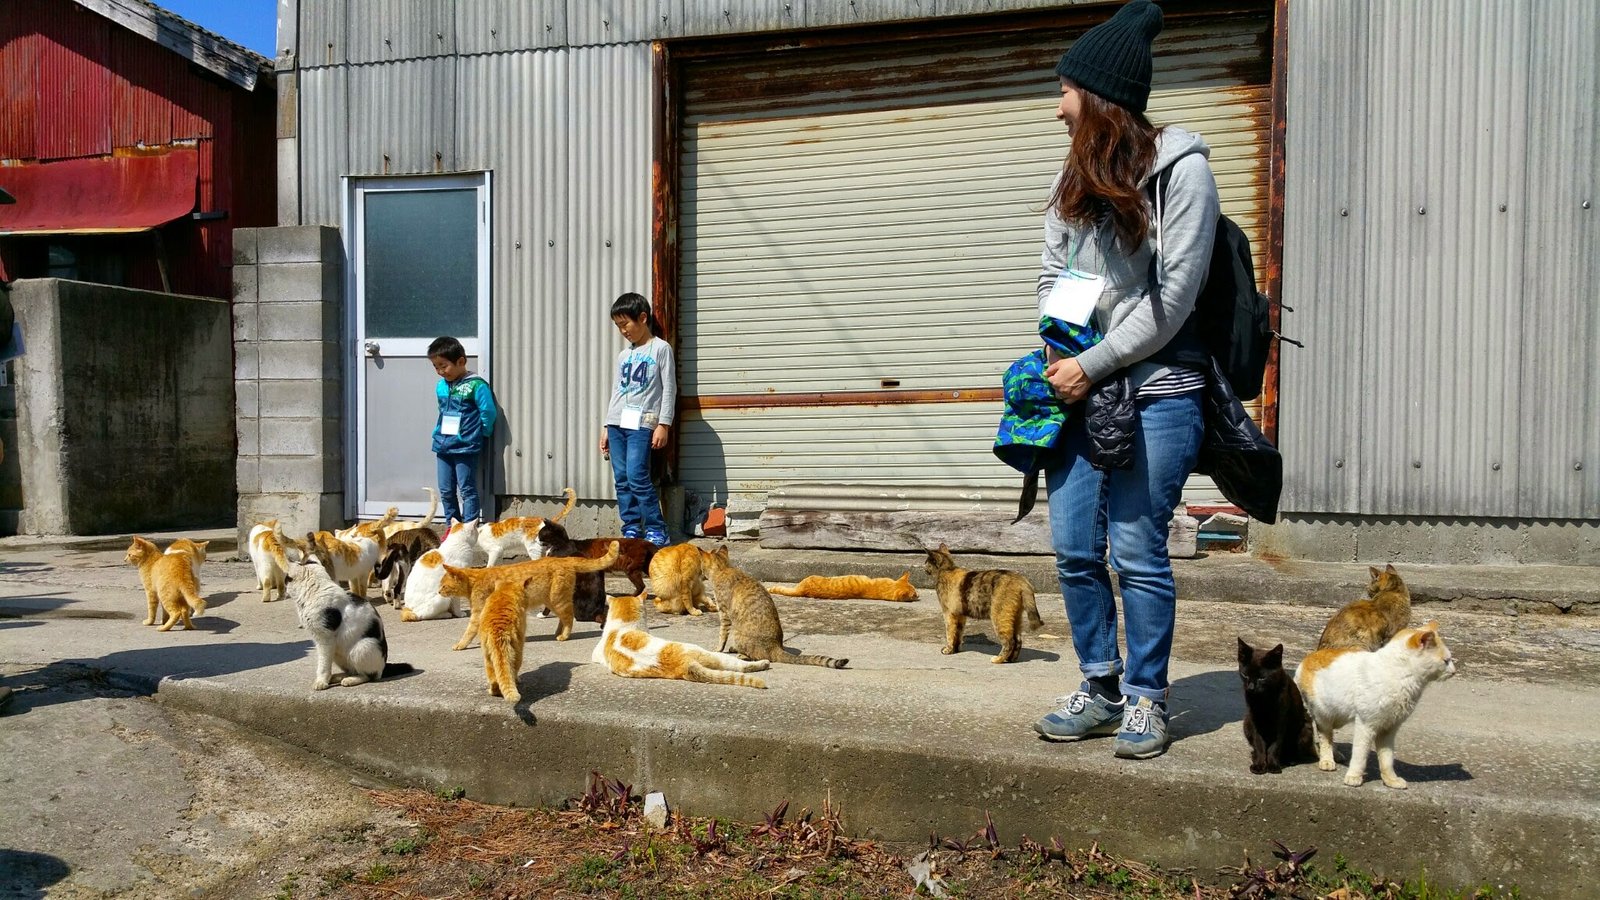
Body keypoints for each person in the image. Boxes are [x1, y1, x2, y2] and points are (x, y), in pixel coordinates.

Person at [1029, 0, 1221, 760]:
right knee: (1075, 548)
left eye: (1066, 91)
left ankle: (1146, 699)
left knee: (1138, 548)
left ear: (1100, 96)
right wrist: (1063, 349)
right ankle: (1101, 686)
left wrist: (1093, 362)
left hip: (1160, 387)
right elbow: (1053, 274)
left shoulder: (1183, 173)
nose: (1058, 107)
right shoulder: (1072, 179)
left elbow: (1173, 300)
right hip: (1079, 384)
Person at [599, 292, 675, 547]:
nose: (623, 331)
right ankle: (631, 528)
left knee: (637, 476)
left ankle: (657, 529)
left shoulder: (661, 349)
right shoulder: (624, 356)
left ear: (643, 318)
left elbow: (669, 389)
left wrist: (663, 424)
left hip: (642, 424)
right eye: (618, 326)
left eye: (625, 324)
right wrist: (606, 426)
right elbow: (616, 391)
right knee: (621, 479)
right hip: (617, 423)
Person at [428, 336, 497, 524]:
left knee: (467, 489)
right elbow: (442, 411)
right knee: (446, 490)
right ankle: (452, 527)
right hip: (443, 444)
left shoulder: (477, 385)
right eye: (436, 367)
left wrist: (482, 433)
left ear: (461, 361)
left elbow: (488, 412)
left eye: (444, 366)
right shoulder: (441, 386)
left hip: (465, 446)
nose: (440, 371)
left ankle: (469, 529)